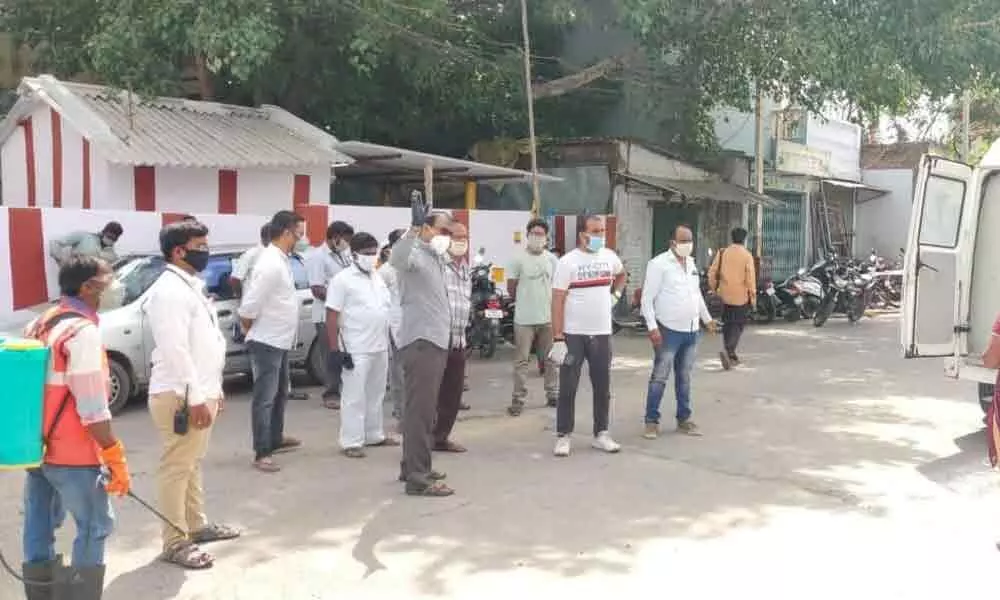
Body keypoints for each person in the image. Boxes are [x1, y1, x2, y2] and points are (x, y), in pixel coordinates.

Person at [20, 256, 129, 599]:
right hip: (73, 454)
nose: (115, 287)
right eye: (108, 280)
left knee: (39, 524)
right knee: (94, 526)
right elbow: (93, 408)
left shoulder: (41, 322)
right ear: (87, 288)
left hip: (36, 448)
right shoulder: (81, 332)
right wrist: (114, 454)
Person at [145, 221, 240, 570]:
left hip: (198, 390)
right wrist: (195, 396)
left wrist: (212, 390)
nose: (206, 250)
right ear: (178, 251)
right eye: (200, 244)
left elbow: (203, 344)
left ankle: (196, 525)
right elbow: (175, 350)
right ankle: (174, 541)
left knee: (191, 463)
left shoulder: (190, 286)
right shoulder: (169, 291)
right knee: (176, 467)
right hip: (179, 394)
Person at [390, 192, 456, 497]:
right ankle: (419, 477)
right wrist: (413, 228)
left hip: (435, 340)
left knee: (423, 411)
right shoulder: (413, 253)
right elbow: (396, 258)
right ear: (426, 228)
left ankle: (412, 466)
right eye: (443, 230)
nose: (447, 236)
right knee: (419, 411)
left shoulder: (435, 257)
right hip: (421, 342)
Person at [549, 215, 626, 457]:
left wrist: (615, 296)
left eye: (602, 231)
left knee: (602, 386)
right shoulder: (567, 262)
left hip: (602, 333)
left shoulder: (609, 257)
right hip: (573, 335)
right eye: (595, 231)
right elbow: (557, 300)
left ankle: (601, 433)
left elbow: (622, 275)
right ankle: (563, 435)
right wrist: (558, 337)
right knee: (568, 387)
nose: (599, 236)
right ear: (582, 234)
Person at [239, 211, 304, 473]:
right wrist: (252, 329)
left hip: (280, 339)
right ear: (286, 233)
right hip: (266, 340)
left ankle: (275, 438)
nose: (300, 238)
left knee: (279, 393)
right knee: (265, 397)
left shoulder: (280, 259)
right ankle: (262, 450)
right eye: (298, 233)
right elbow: (249, 307)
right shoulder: (270, 263)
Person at [640, 224, 717, 440]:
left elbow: (696, 295)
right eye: (683, 240)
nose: (687, 245)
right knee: (660, 377)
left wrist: (707, 319)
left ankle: (684, 418)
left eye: (690, 240)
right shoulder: (658, 265)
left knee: (684, 377)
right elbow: (647, 299)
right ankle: (651, 421)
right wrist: (652, 327)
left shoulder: (691, 263)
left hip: (691, 330)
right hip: (668, 331)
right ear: (672, 243)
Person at [326, 232, 399, 457]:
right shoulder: (343, 280)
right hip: (355, 347)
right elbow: (332, 314)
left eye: (373, 252)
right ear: (355, 254)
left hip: (379, 345)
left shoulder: (376, 277)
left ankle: (373, 434)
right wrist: (334, 349)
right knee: (354, 396)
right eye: (366, 253)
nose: (371, 256)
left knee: (375, 394)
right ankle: (351, 441)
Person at [507, 218, 560, 416]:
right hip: (523, 320)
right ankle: (518, 400)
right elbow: (511, 287)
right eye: (534, 234)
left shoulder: (552, 260)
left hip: (547, 318)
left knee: (550, 360)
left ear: (546, 238)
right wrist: (522, 300)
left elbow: (558, 287)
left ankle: (552, 394)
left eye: (541, 234)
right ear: (527, 235)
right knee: (521, 361)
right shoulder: (517, 259)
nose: (537, 237)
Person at [307, 221, 355, 409]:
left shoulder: (344, 255)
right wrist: (341, 296)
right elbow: (317, 288)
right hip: (325, 314)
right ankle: (331, 394)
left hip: (345, 313)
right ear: (335, 237)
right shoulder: (318, 257)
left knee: (344, 352)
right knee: (331, 354)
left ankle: (344, 390)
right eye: (345, 240)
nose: (347, 244)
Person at [433, 221, 472, 453]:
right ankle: (422, 439)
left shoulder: (465, 268)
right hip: (438, 337)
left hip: (459, 339)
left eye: (465, 237)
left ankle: (441, 437)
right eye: (457, 237)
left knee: (453, 393)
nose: (462, 242)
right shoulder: (437, 264)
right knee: (431, 393)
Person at [708, 227, 757, 370]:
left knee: (728, 324)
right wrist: (753, 298)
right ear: (744, 239)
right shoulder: (747, 255)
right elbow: (750, 279)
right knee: (738, 325)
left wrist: (713, 289)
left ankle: (730, 355)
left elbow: (712, 272)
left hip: (724, 295)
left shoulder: (723, 253)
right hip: (740, 297)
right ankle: (729, 350)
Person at [378, 229, 407, 425]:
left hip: (415, 324)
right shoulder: (385, 271)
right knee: (399, 371)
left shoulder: (411, 266)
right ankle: (401, 410)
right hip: (395, 325)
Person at [48, 221, 123, 267]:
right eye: (109, 236)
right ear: (103, 232)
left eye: (114, 239)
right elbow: (55, 242)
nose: (111, 240)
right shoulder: (84, 237)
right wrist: (61, 261)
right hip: (73, 284)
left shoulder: (113, 256)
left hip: (95, 289)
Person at [230, 223, 270, 297]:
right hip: (254, 305)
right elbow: (235, 279)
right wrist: (240, 295)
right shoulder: (250, 255)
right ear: (266, 238)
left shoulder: (278, 256)